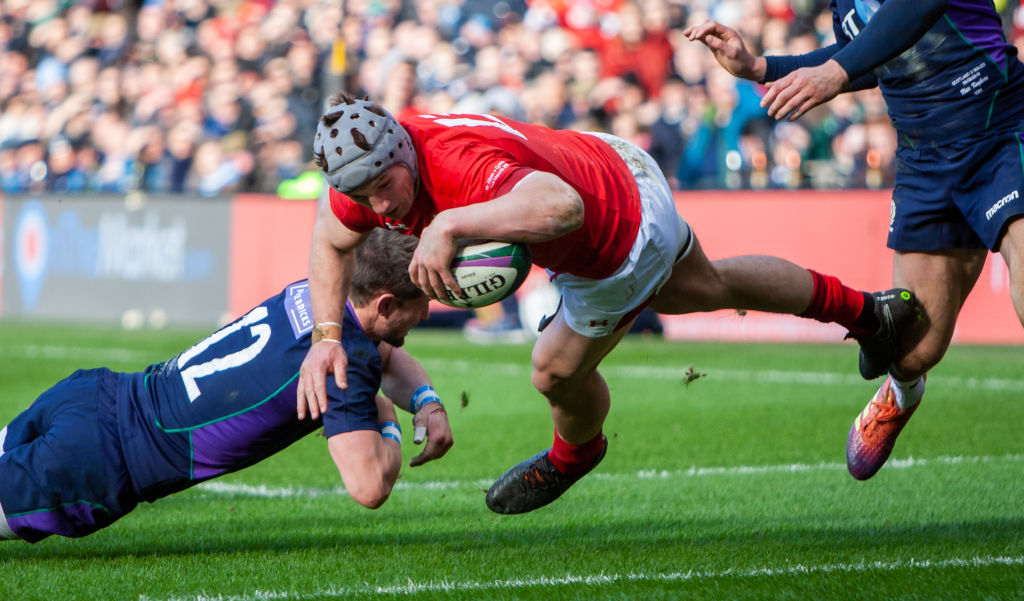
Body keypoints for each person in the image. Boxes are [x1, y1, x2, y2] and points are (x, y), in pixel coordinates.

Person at [298, 93, 917, 515]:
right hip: (613, 163)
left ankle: (574, 454)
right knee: (711, 287)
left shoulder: (456, 164)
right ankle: (869, 313)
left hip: (614, 228)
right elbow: (329, 240)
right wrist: (328, 335)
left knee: (553, 368)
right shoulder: (367, 168)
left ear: (403, 153)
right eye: (364, 196)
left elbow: (559, 206)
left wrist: (452, 223)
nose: (378, 208)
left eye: (385, 189)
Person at [685, 0, 1024, 481]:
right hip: (924, 161)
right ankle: (900, 393)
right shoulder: (842, 5)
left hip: (1003, 128)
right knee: (914, 349)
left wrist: (837, 72)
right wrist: (759, 67)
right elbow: (866, 52)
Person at [0, 231, 453, 543]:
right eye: (422, 304)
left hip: (90, 394)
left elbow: (386, 357)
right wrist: (389, 421)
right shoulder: (347, 362)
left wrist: (426, 402)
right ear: (386, 303)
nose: (427, 315)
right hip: (96, 459)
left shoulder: (320, 293)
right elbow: (369, 485)